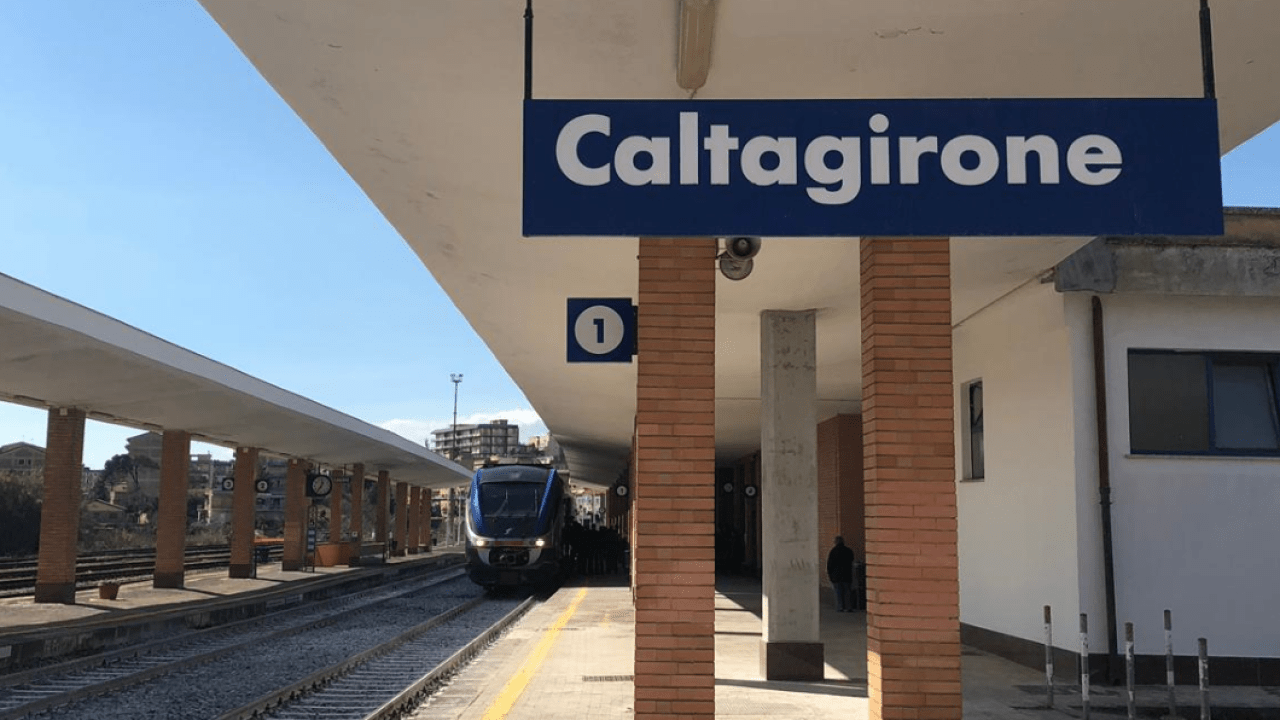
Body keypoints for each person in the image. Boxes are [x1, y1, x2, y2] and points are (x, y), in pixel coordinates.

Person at [826, 535, 856, 612]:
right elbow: (852, 560)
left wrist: (830, 576)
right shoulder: (848, 550)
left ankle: (840, 607)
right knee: (847, 592)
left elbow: (830, 565)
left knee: (838, 592)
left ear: (835, 542)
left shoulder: (833, 551)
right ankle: (848, 607)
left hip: (836, 576)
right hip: (846, 575)